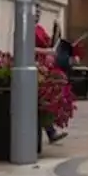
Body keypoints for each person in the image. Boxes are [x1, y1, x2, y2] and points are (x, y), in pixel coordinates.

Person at [34, 9, 68, 144]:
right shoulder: (23, 28)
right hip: (33, 67)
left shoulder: (39, 29)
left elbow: (50, 44)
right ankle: (50, 132)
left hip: (43, 67)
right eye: (34, 12)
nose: (37, 15)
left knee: (45, 100)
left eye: (38, 13)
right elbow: (26, 47)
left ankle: (51, 132)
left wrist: (56, 37)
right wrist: (47, 51)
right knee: (41, 100)